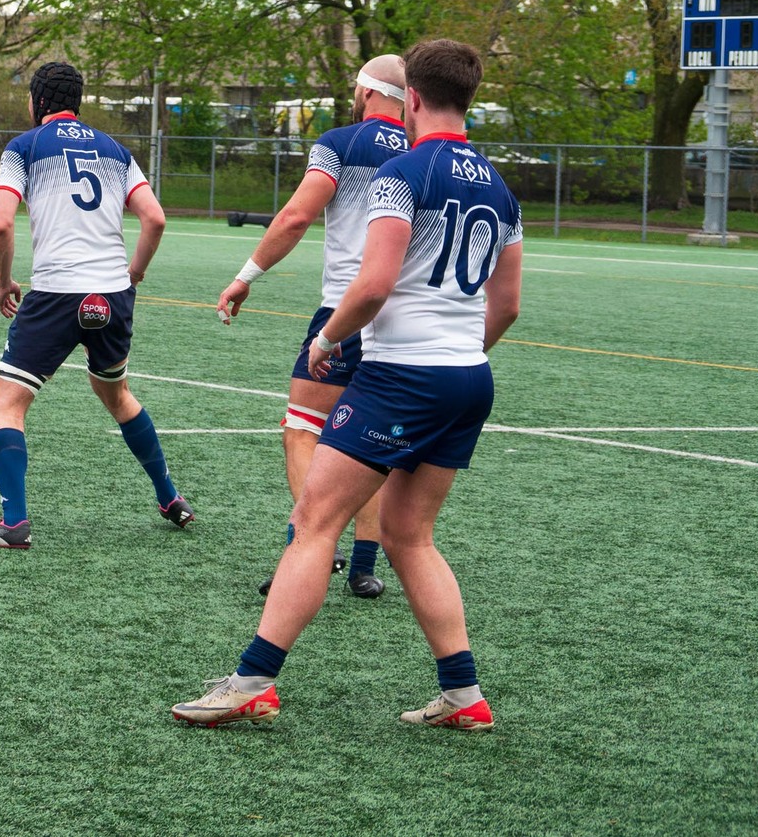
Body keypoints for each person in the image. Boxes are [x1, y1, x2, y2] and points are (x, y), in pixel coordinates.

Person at [172, 39, 522, 731]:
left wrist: (329, 340)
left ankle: (253, 681)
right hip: (468, 379)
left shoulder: (401, 170)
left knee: (314, 521)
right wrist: (457, 353)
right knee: (409, 534)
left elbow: (373, 284)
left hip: (402, 378)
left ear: (412, 98)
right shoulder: (501, 186)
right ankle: (463, 694)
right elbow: (506, 305)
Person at [0, 61, 189, 549]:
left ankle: (14, 523)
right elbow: (156, 219)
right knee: (117, 395)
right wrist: (135, 274)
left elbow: (2, 224)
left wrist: (3, 283)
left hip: (57, 292)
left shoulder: (24, 147)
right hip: (111, 294)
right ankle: (169, 496)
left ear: (38, 101)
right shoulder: (117, 150)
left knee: (6, 405)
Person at [217, 55, 411, 600]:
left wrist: (246, 275)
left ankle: (309, 548)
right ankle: (364, 568)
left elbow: (297, 216)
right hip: (404, 316)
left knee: (302, 427)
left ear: (365, 92)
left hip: (347, 310)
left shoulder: (341, 142)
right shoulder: (424, 150)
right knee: (374, 442)